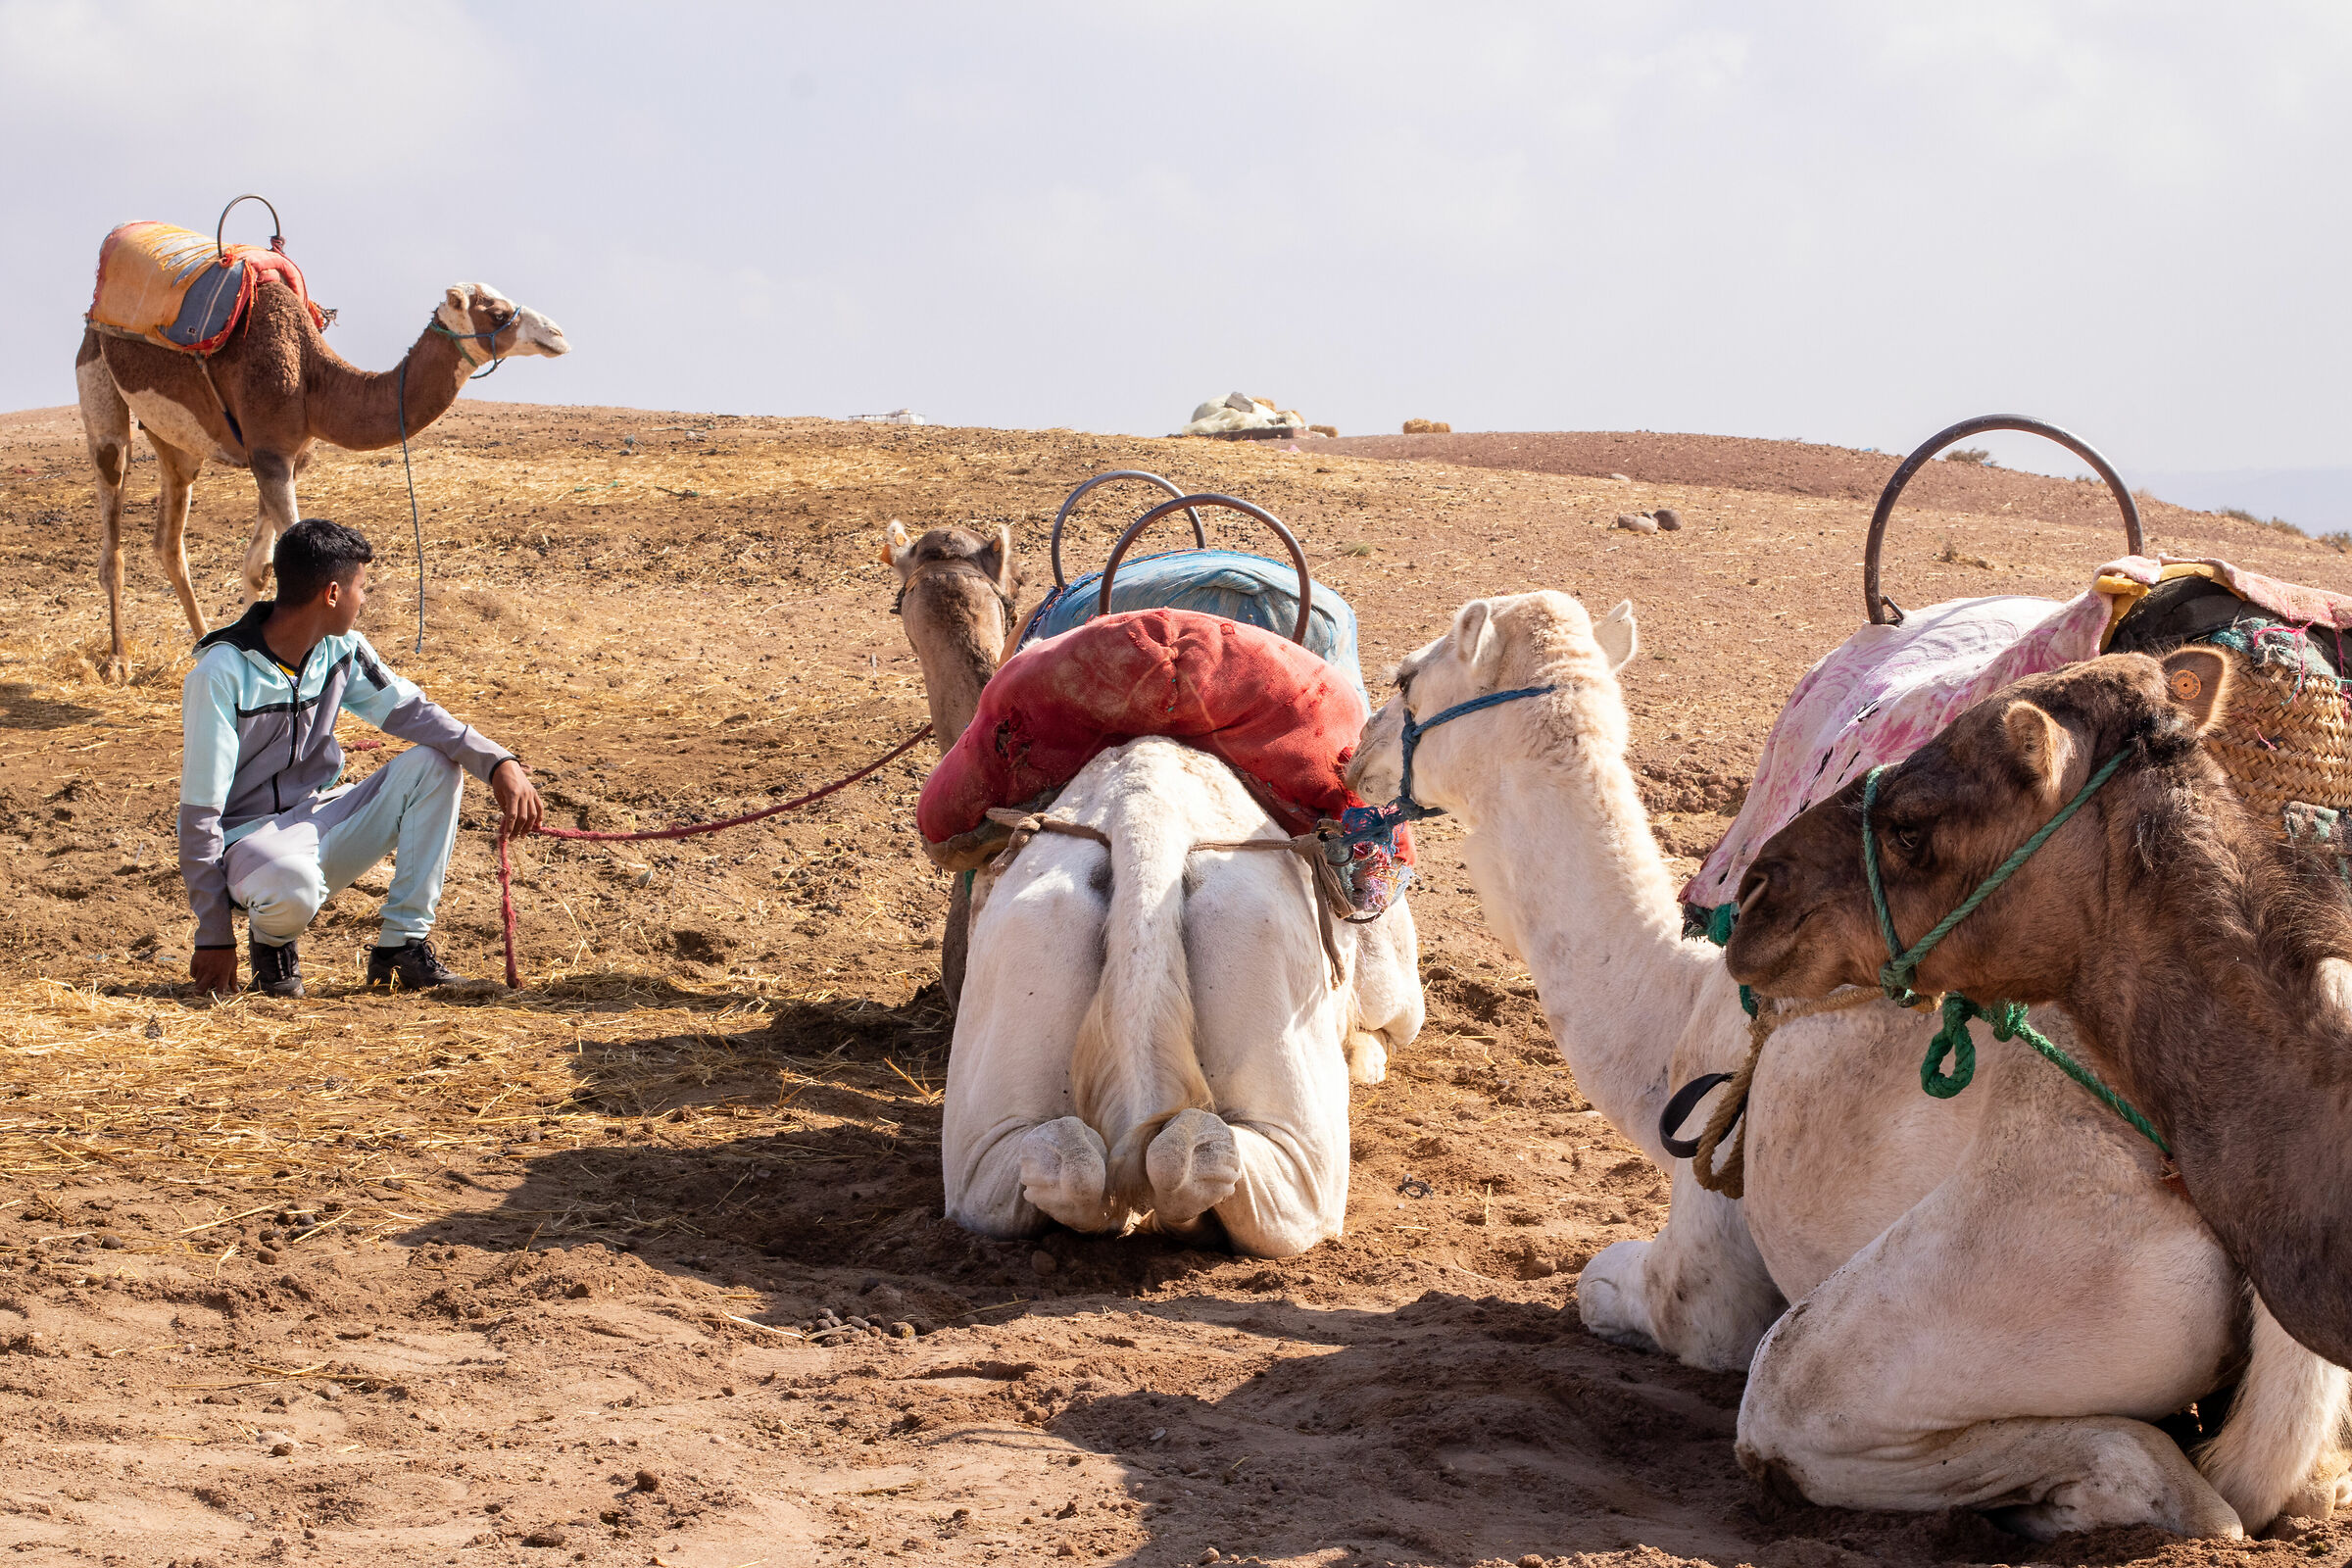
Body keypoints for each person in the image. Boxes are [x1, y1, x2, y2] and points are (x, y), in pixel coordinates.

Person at [178, 518, 542, 998]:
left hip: (317, 817)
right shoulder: (220, 673)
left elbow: (412, 712)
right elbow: (200, 815)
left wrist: (497, 761)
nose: (363, 600)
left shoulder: (340, 648)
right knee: (291, 884)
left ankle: (401, 950)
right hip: (247, 846)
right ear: (332, 593)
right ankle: (272, 944)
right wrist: (214, 935)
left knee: (434, 764)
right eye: (361, 587)